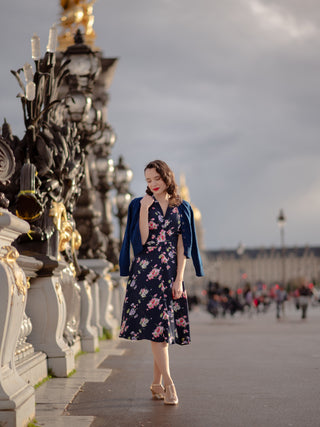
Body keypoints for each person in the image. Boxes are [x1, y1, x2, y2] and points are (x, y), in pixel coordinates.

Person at [119, 160, 204, 405]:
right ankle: (169, 383)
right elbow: (140, 243)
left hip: (169, 274)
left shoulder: (182, 207)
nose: (152, 184)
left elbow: (182, 246)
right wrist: (145, 210)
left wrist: (179, 279)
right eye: (148, 181)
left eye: (156, 179)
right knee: (159, 332)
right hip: (145, 274)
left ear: (166, 177)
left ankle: (156, 384)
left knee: (162, 331)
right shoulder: (139, 204)